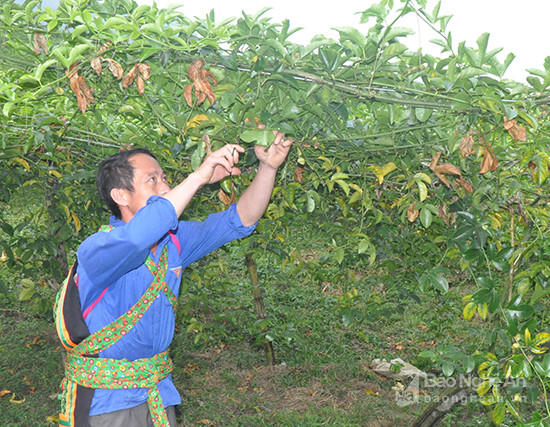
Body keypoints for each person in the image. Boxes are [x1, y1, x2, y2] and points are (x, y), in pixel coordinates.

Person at [54, 132, 292, 427]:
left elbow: (239, 220)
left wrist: (268, 167)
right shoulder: (100, 249)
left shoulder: (173, 244)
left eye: (164, 177)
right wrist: (197, 177)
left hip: (158, 392)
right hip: (108, 403)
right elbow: (138, 238)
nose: (165, 185)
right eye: (152, 179)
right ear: (120, 195)